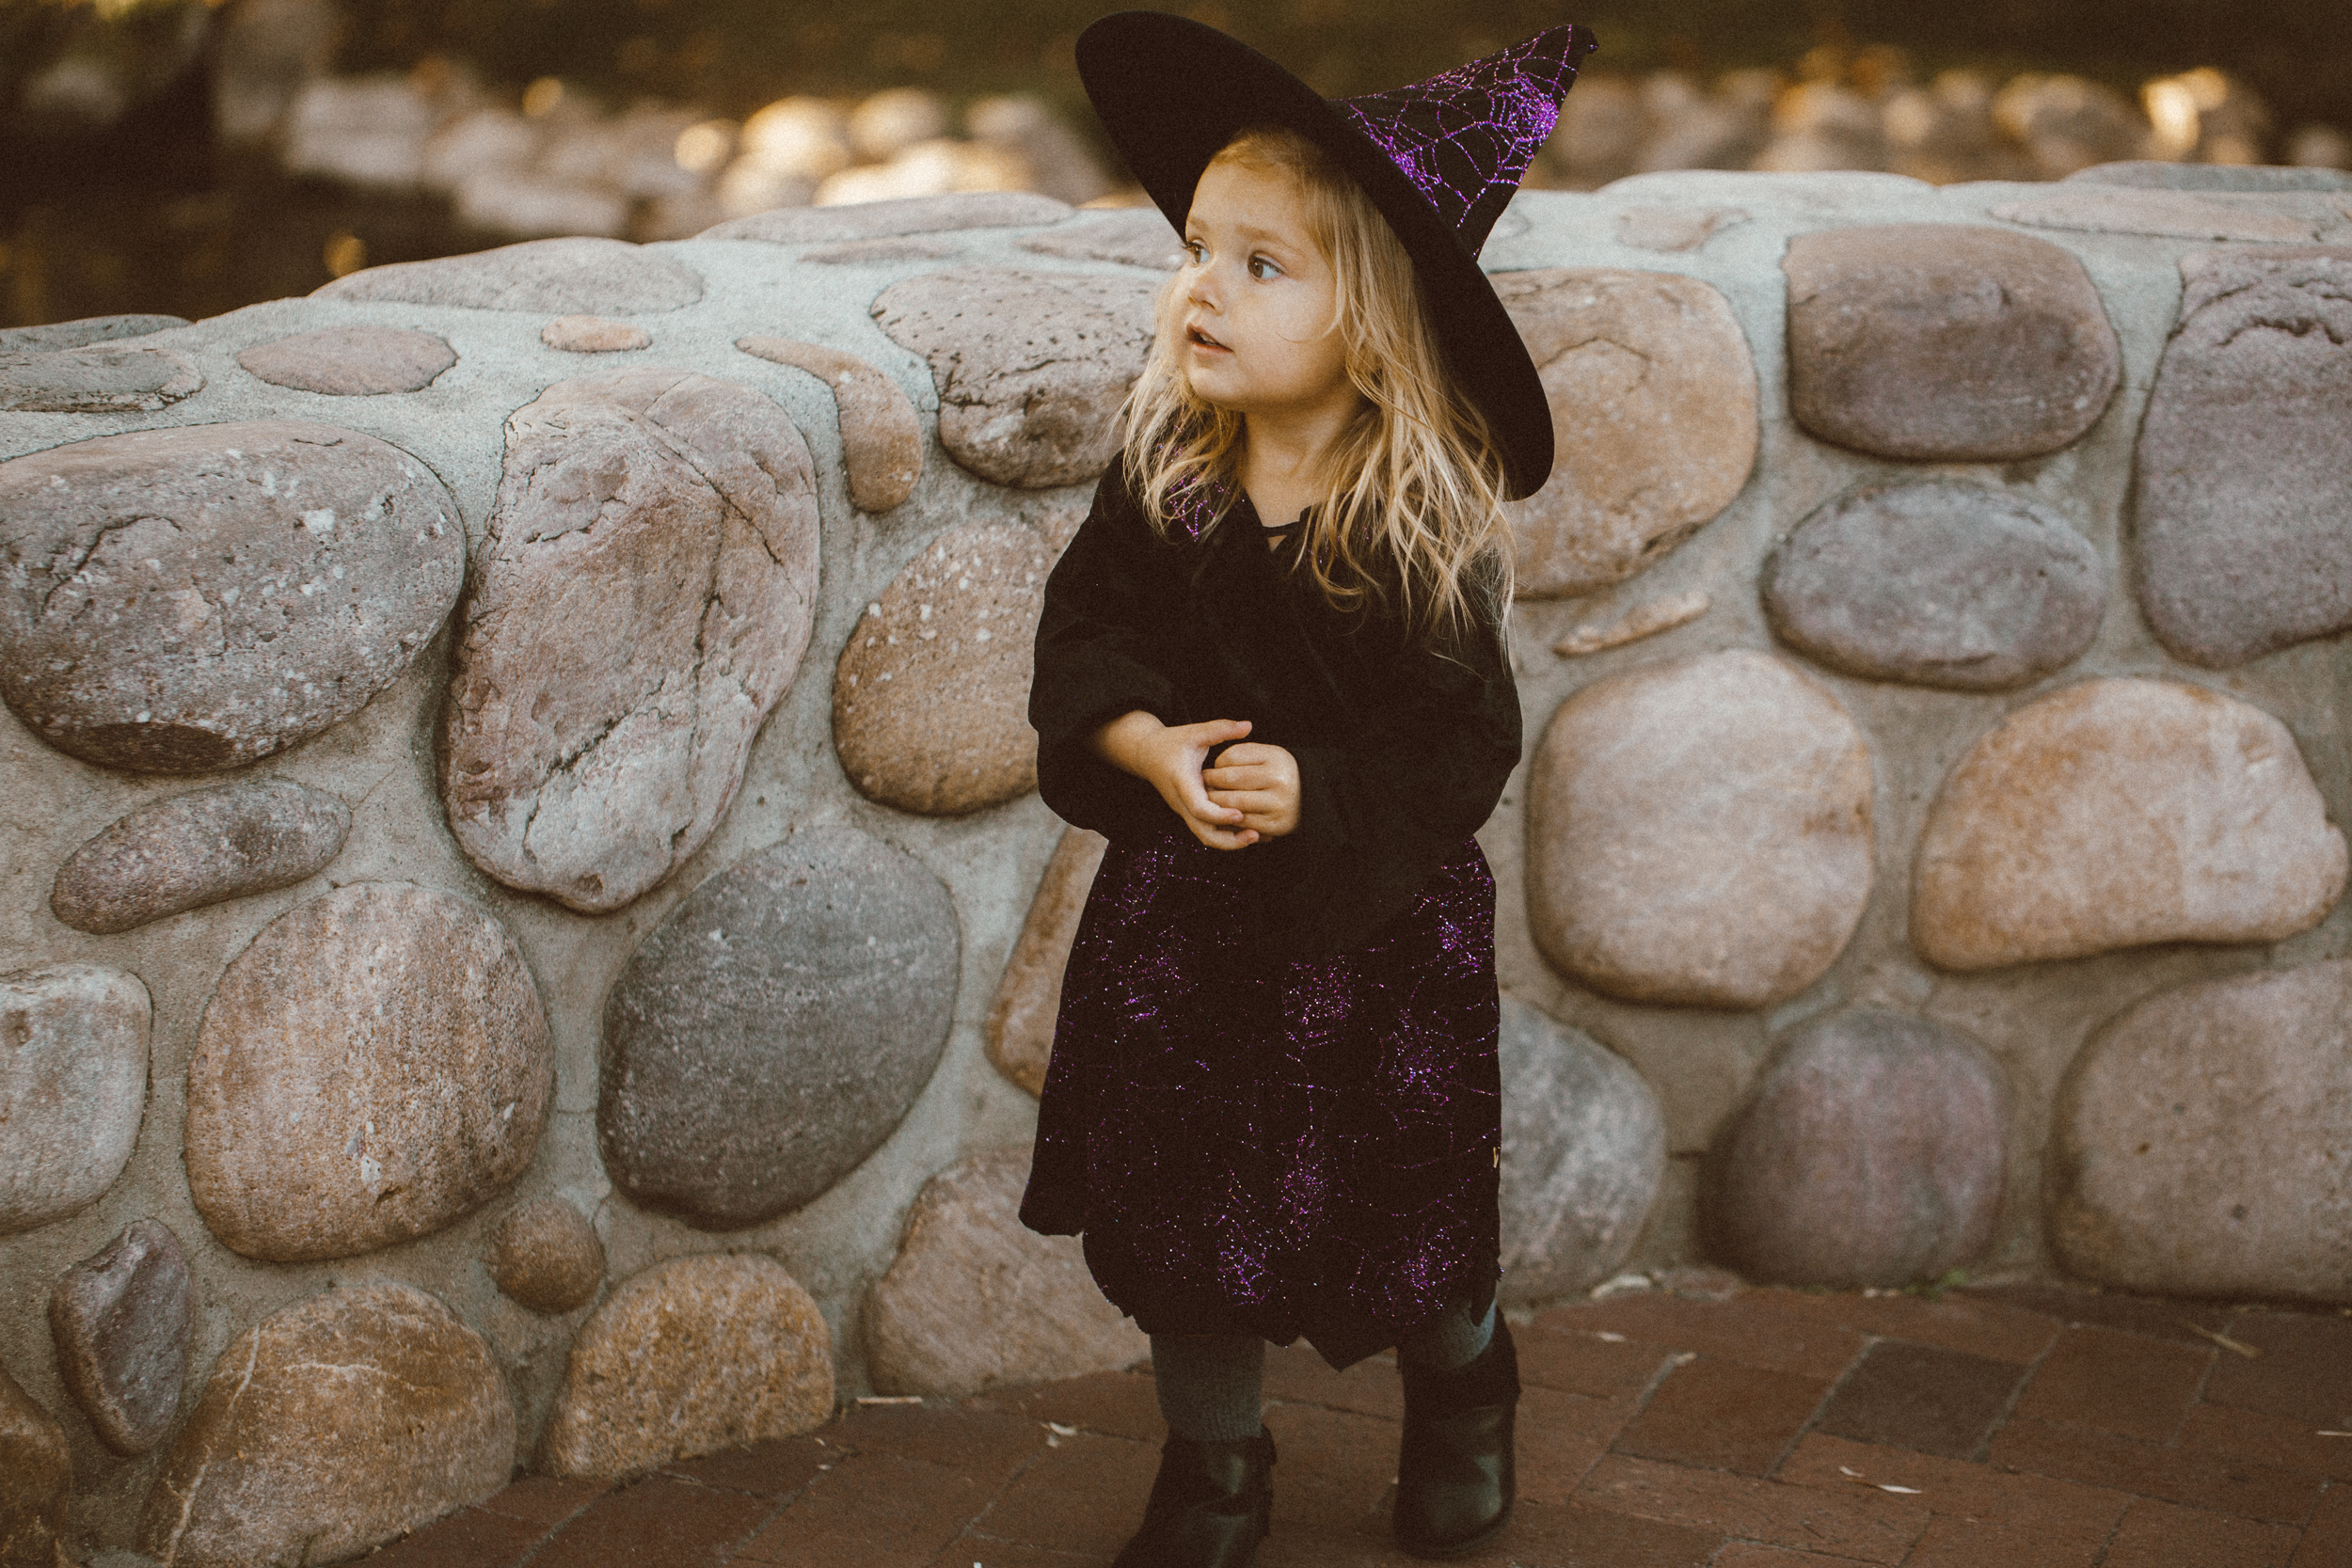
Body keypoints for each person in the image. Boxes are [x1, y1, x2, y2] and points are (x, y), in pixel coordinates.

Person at [1020, 12, 1595, 1564]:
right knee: (1185, 1219)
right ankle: (1215, 1469)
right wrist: (1146, 746)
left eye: (1261, 265)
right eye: (1198, 247)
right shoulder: (1170, 475)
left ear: (1376, 321)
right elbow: (1087, 637)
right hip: (1184, 941)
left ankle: (1465, 1388)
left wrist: (1320, 790)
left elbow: (1457, 741)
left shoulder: (1413, 525)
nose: (1200, 287)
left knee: (1404, 1215)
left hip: (1372, 948)